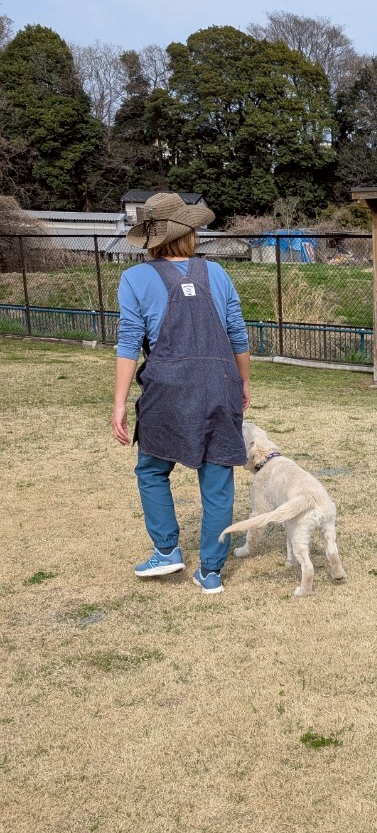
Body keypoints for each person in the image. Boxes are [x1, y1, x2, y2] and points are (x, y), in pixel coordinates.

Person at [111, 192, 251, 595]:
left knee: (152, 470)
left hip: (167, 387)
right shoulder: (217, 274)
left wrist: (120, 404)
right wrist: (243, 382)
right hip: (220, 383)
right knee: (218, 478)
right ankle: (211, 571)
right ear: (189, 232)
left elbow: (129, 343)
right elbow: (237, 333)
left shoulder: (135, 279)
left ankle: (166, 550)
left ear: (152, 238)